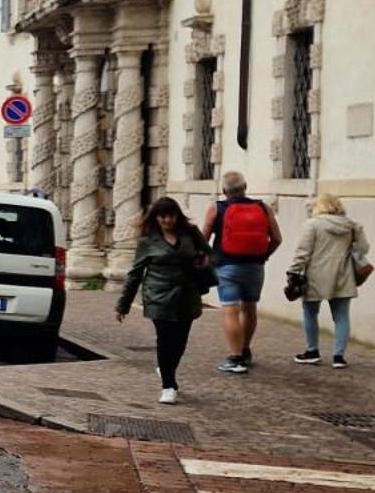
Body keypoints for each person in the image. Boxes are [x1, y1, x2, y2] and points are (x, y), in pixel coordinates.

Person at [114, 197, 213, 405]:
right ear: (156, 218)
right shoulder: (147, 241)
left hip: (187, 295)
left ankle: (166, 367)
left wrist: (204, 262)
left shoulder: (190, 234)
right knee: (165, 339)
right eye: (163, 216)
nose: (167, 220)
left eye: (171, 216)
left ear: (177, 216)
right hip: (159, 297)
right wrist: (123, 305)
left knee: (180, 341)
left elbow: (211, 255)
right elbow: (135, 274)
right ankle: (169, 385)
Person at [201, 173, 281, 374]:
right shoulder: (263, 207)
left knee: (231, 311)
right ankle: (245, 350)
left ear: (224, 190)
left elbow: (203, 240)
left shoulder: (217, 208)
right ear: (245, 187)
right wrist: (264, 256)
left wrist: (208, 258)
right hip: (255, 266)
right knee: (250, 308)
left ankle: (235, 358)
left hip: (227, 265)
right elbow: (277, 238)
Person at [286, 193, 370, 368]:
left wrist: (293, 272)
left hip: (315, 276)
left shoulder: (313, 225)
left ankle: (312, 351)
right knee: (341, 317)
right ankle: (339, 357)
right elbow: (363, 249)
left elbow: (303, 252)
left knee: (310, 313)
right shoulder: (351, 226)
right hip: (343, 274)